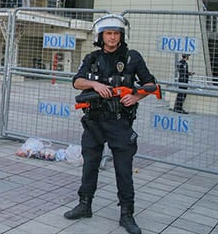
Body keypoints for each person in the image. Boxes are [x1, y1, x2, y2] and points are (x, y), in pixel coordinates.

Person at [64, 14, 156, 234]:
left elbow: (150, 84)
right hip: (94, 121)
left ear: (121, 36)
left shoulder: (132, 57)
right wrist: (95, 85)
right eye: (108, 34)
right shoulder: (92, 58)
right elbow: (77, 81)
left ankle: (127, 215)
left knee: (123, 169)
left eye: (116, 34)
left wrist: (135, 97)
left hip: (120, 123)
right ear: (101, 36)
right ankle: (85, 204)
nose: (112, 37)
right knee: (90, 164)